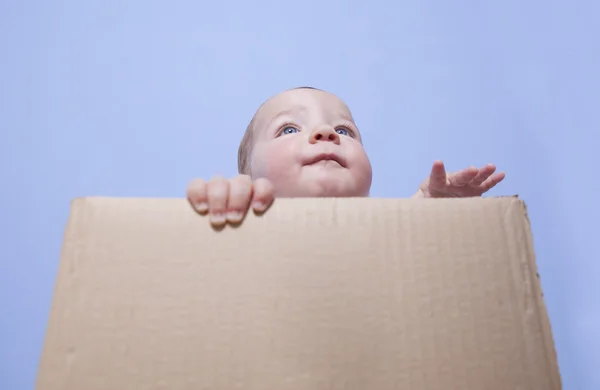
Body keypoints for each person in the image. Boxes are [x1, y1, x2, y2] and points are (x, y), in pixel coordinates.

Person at [186, 87, 505, 226]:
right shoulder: (237, 216)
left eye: (346, 130)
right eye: (288, 129)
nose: (326, 131)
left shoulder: (395, 231)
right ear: (248, 176)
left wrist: (428, 214)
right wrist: (224, 205)